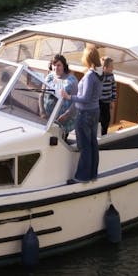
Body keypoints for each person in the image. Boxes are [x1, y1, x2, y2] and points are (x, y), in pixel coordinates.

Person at [61, 46, 102, 183]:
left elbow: (85, 98)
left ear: (88, 58)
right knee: (92, 144)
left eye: (83, 56)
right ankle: (92, 175)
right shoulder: (99, 73)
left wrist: (69, 96)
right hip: (95, 111)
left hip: (85, 113)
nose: (81, 58)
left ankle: (82, 177)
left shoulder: (90, 76)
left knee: (84, 145)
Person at [39, 54, 78, 139]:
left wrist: (66, 115)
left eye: (59, 65)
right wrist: (42, 112)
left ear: (64, 66)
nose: (56, 68)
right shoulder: (49, 77)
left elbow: (75, 102)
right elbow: (41, 95)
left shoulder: (72, 81)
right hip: (47, 118)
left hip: (63, 121)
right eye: (54, 65)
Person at [99, 56, 117, 136]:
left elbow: (114, 88)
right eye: (111, 67)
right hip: (99, 102)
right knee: (99, 119)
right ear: (105, 68)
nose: (113, 68)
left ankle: (104, 134)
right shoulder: (99, 76)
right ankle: (98, 134)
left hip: (107, 102)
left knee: (106, 119)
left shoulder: (111, 76)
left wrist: (113, 101)